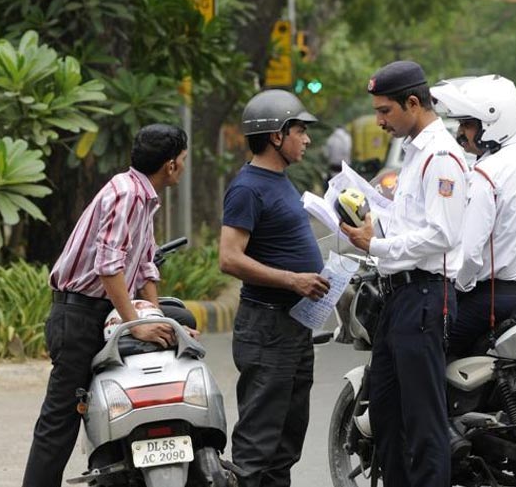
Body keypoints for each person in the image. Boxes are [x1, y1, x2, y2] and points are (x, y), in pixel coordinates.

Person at [22, 124, 197, 487]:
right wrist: (136, 326)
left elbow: (146, 265)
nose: (183, 165)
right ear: (170, 166)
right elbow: (109, 267)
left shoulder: (143, 196)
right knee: (61, 421)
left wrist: (161, 322)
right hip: (79, 315)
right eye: (182, 159)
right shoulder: (128, 194)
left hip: (101, 313)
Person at [340, 60, 467, 487]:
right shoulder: (415, 155)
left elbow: (442, 234)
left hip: (425, 297)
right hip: (397, 298)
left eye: (385, 111)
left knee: (423, 422)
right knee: (388, 417)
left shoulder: (442, 156)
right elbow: (412, 223)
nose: (379, 121)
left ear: (413, 103)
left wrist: (375, 244)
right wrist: (375, 221)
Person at [218, 89, 329, 487]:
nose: (307, 139)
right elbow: (229, 257)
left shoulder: (280, 182)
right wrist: (292, 280)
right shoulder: (248, 187)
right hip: (266, 329)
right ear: (276, 136)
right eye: (300, 130)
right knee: (257, 448)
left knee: (286, 443)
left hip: (293, 327)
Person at [431, 74, 516, 359]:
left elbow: (470, 254)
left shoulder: (487, 172)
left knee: (428, 348)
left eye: (467, 124)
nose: (461, 133)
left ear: (492, 124)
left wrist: (459, 286)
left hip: (497, 300)